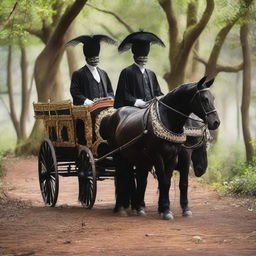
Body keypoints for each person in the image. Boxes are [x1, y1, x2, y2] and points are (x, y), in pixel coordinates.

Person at [113, 31, 165, 215]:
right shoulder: (126, 72)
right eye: (141, 56)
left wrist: (162, 98)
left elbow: (158, 92)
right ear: (135, 56)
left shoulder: (151, 74)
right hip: (132, 112)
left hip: (150, 113)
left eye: (146, 56)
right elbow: (122, 95)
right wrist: (137, 102)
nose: (143, 59)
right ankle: (125, 200)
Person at [66, 34, 117, 106]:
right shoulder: (78, 74)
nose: (95, 61)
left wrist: (110, 98)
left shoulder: (103, 73)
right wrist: (87, 102)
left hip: (105, 106)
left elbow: (110, 90)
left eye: (97, 58)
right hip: (88, 108)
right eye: (92, 59)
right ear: (86, 59)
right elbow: (75, 92)